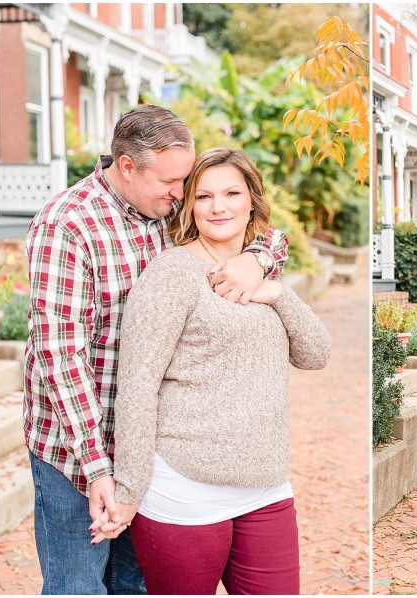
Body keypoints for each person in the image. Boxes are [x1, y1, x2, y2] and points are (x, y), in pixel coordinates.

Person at [24, 105, 288, 595]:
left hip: (150, 452)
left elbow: (260, 227)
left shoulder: (166, 211)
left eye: (186, 179)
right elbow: (59, 357)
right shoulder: (67, 226)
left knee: (135, 585)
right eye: (172, 181)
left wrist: (259, 259)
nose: (182, 193)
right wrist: (98, 467)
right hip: (78, 448)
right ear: (127, 167)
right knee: (77, 587)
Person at [88, 147, 330, 595]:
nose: (218, 207)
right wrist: (130, 489)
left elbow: (316, 354)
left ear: (252, 201)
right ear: (189, 205)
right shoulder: (173, 273)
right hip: (184, 486)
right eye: (204, 196)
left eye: (231, 193)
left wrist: (276, 292)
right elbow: (138, 387)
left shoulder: (259, 270)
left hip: (266, 483)